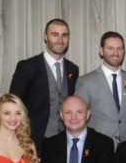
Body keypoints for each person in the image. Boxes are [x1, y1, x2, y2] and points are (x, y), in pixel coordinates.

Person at [9, 18, 79, 152]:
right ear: (45, 37)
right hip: (33, 141)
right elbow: (13, 104)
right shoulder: (27, 67)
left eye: (64, 35)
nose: (60, 40)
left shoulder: (73, 69)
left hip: (64, 141)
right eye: (55, 35)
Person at [75, 31, 126, 146]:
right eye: (110, 48)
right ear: (101, 51)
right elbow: (78, 118)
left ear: (124, 51)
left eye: (119, 49)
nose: (115, 53)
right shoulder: (86, 82)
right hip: (98, 146)